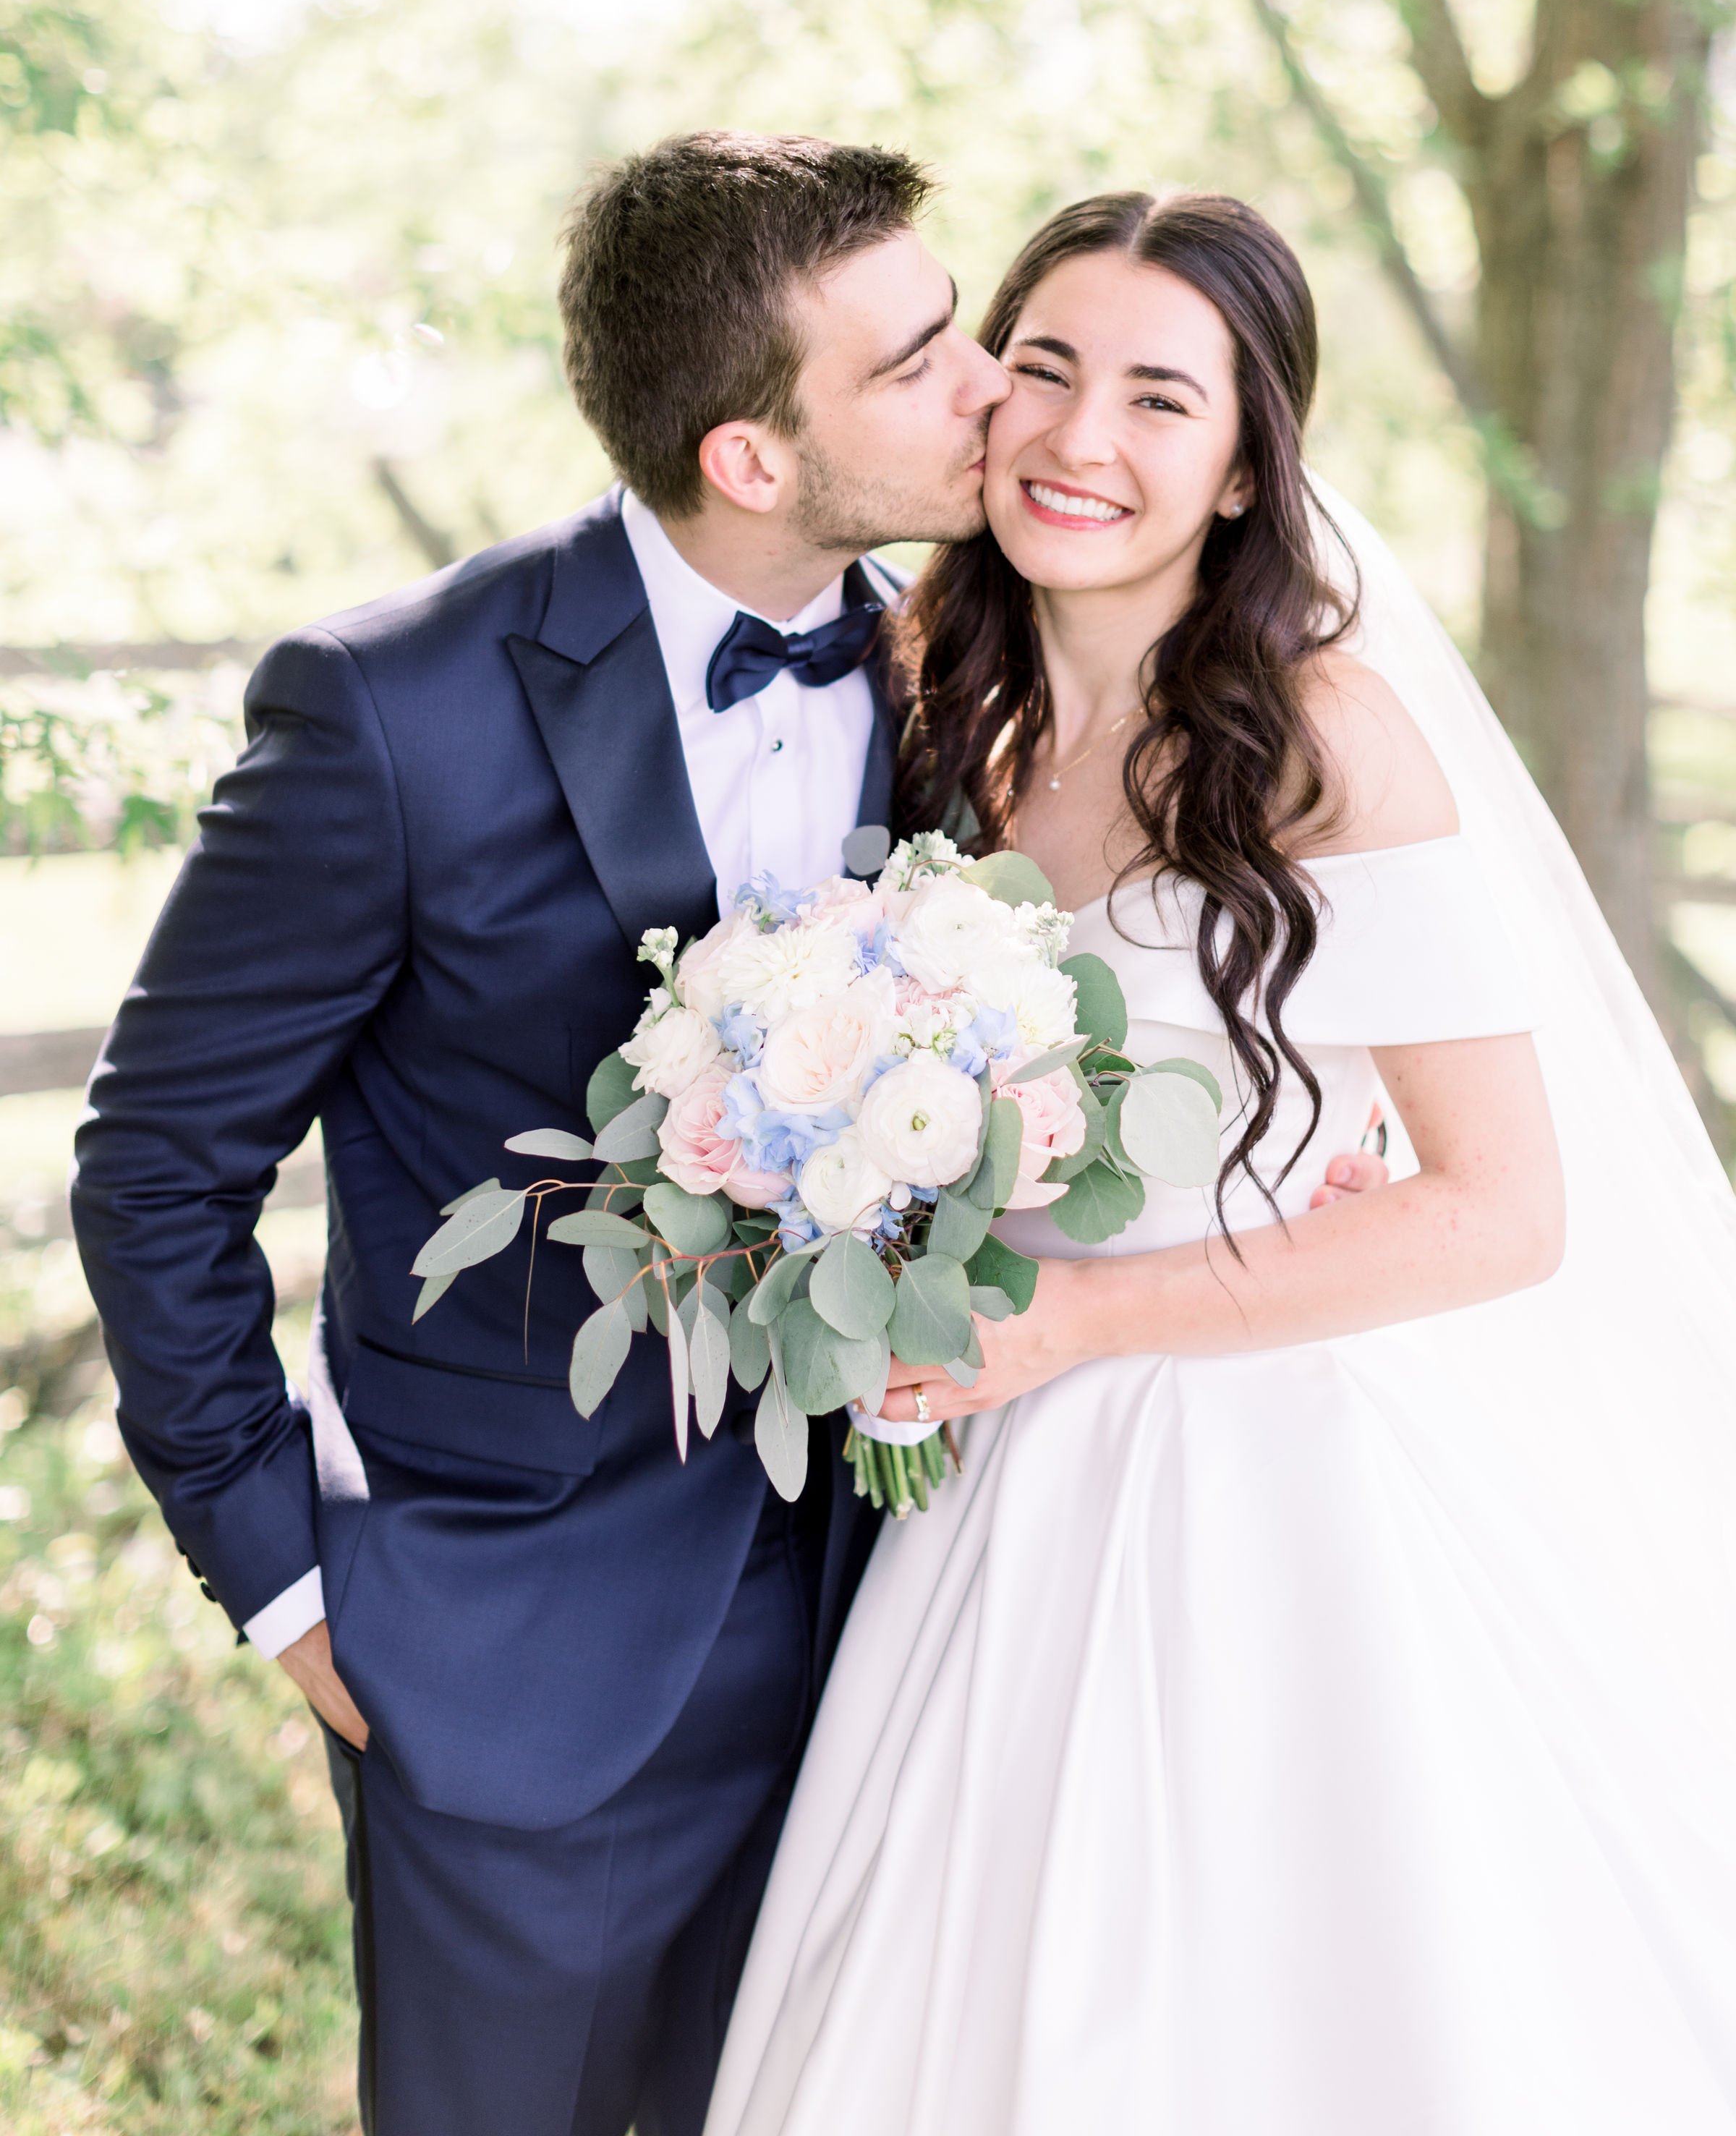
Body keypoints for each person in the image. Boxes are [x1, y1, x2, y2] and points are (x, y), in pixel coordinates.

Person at [69, 139, 1387, 2136]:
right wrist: (286, 1582)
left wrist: (1277, 1165)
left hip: (916, 1617)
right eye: (928, 358)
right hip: (509, 1649)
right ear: (755, 458)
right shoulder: (392, 709)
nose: (997, 394)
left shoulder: (971, 668)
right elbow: (157, 1162)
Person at [704, 193, 1736, 2136]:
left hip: (1266, 1471)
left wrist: (1081, 1310)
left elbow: (1502, 1209)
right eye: (1052, 371)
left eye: (1161, 400)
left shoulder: (1326, 742)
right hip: (986, 1484)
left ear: (1249, 460)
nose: (1085, 440)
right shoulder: (926, 693)